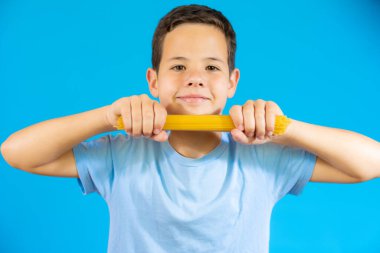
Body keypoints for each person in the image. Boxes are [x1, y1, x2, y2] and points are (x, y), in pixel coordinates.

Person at [1, 4, 379, 253]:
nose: (195, 79)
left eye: (212, 68)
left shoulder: (264, 155)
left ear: (232, 83)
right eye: (179, 66)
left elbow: (370, 163)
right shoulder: (119, 152)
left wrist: (285, 128)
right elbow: (15, 152)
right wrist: (107, 117)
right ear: (153, 80)